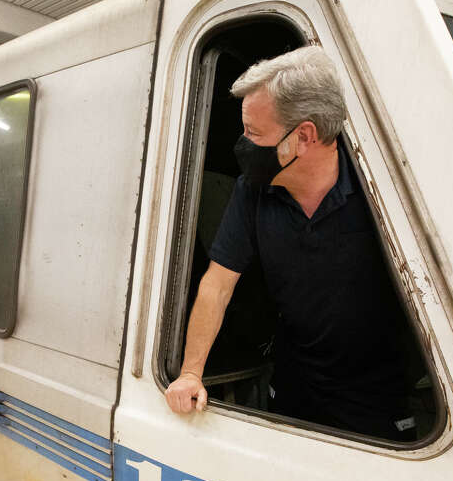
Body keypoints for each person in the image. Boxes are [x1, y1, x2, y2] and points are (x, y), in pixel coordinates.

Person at [164, 46, 415, 441]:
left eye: (254, 133)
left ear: (304, 136)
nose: (243, 144)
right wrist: (191, 372)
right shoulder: (253, 190)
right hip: (295, 387)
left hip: (376, 397)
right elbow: (217, 283)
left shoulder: (382, 189)